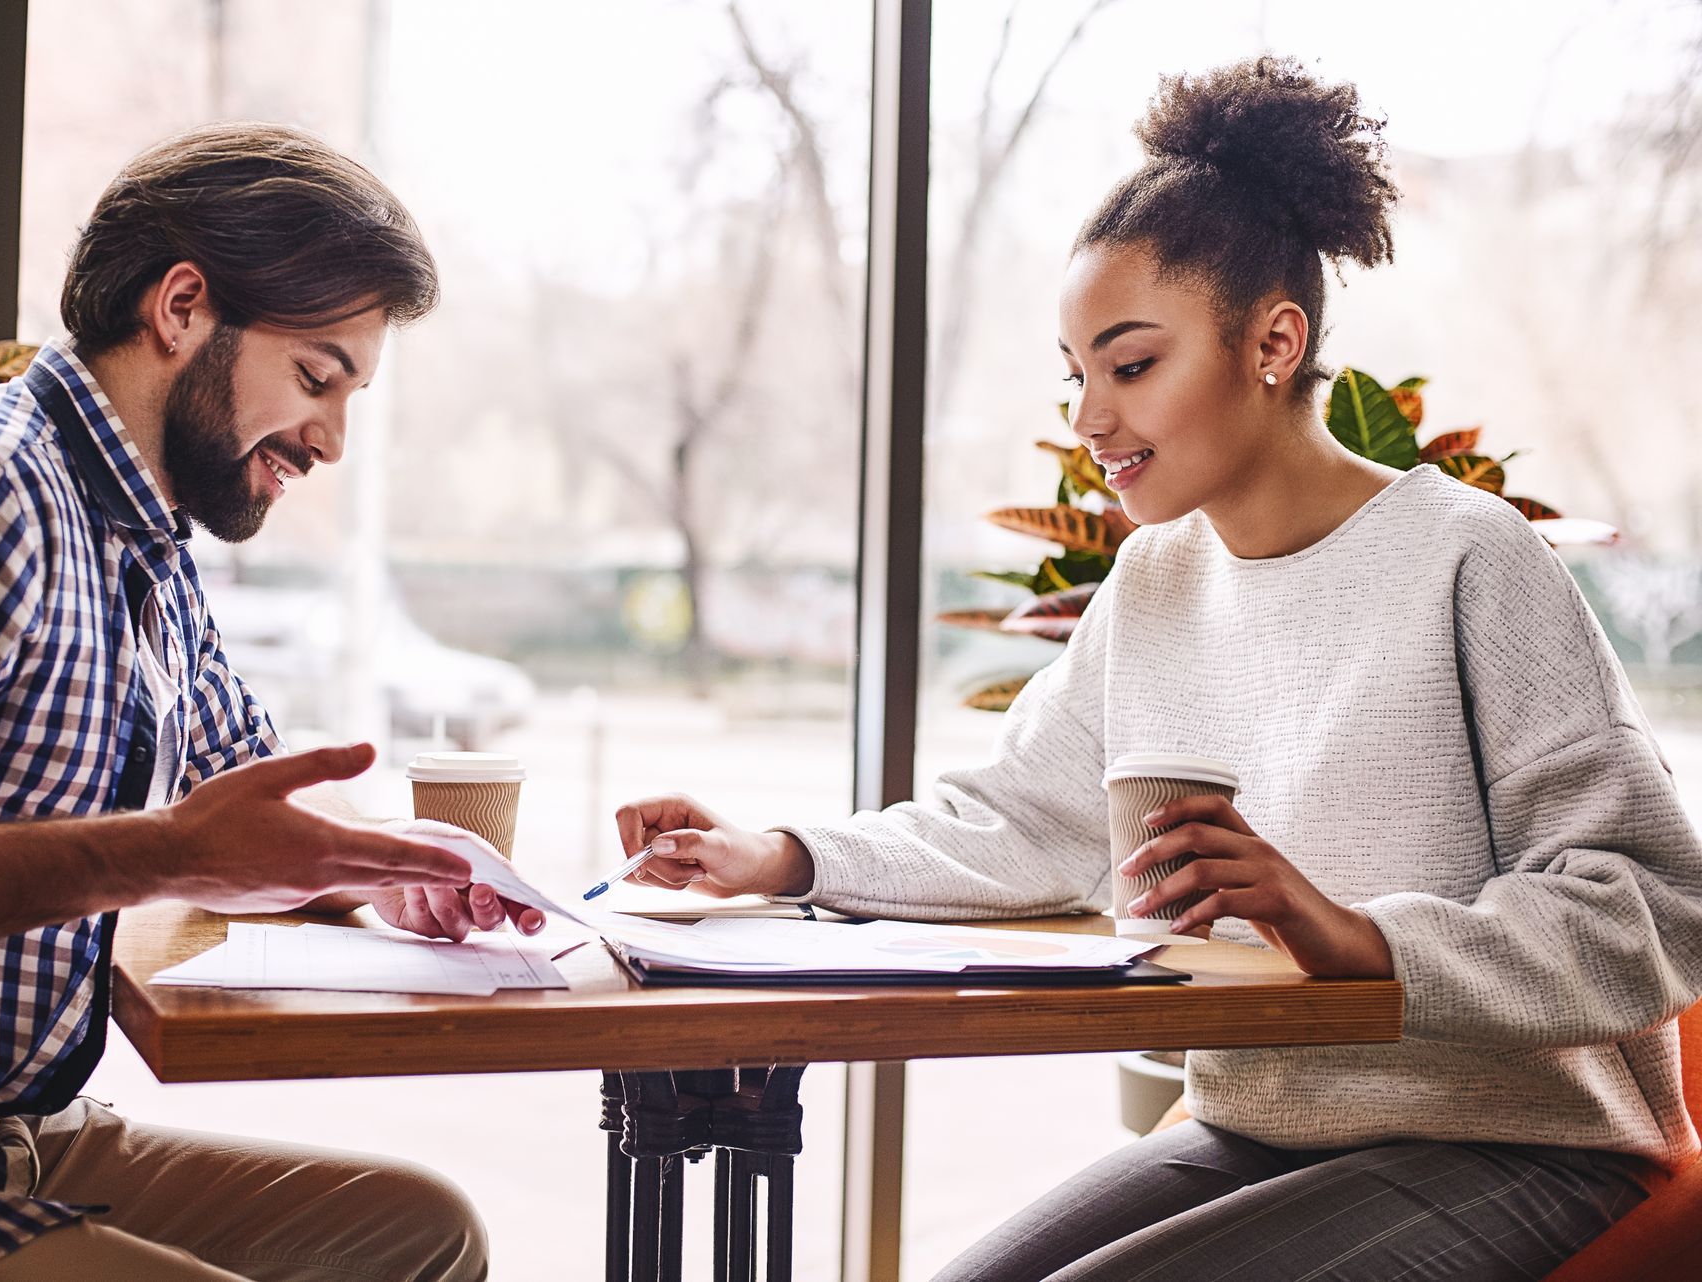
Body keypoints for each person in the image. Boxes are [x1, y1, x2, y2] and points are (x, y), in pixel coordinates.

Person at [613, 57, 1702, 1281]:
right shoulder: (1158, 580)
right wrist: (779, 856)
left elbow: (1651, 903)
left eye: (1131, 366)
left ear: (1273, 343)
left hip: (1520, 1144)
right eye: (1077, 375)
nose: (1088, 417)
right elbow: (1020, 820)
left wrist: (1357, 937)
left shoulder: (1465, 557)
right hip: (1265, 1126)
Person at [0, 123, 541, 1282]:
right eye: (317, 377)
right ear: (182, 308)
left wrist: (403, 871)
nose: (332, 438)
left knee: (424, 1231)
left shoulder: (145, 542)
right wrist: (158, 855)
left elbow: (236, 811)